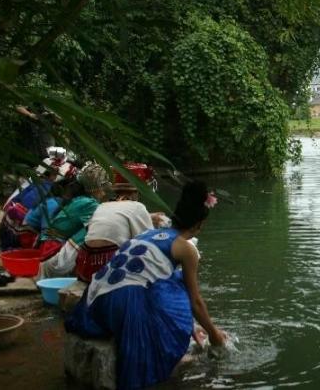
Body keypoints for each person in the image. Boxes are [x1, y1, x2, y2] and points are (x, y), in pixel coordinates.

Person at [66, 181, 227, 390]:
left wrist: (190, 326)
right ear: (199, 225)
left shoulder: (146, 234)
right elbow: (195, 302)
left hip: (94, 305)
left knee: (170, 282)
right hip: (123, 304)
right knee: (179, 287)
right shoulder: (187, 249)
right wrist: (215, 337)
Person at [74, 163, 162, 283]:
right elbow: (147, 242)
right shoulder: (138, 207)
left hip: (85, 265)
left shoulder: (103, 206)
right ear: (136, 191)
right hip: (105, 266)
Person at [37, 162, 110, 278]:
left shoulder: (79, 200)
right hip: (55, 256)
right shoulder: (88, 203)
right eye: (102, 187)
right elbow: (109, 217)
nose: (104, 192)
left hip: (48, 252)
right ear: (94, 189)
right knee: (97, 228)